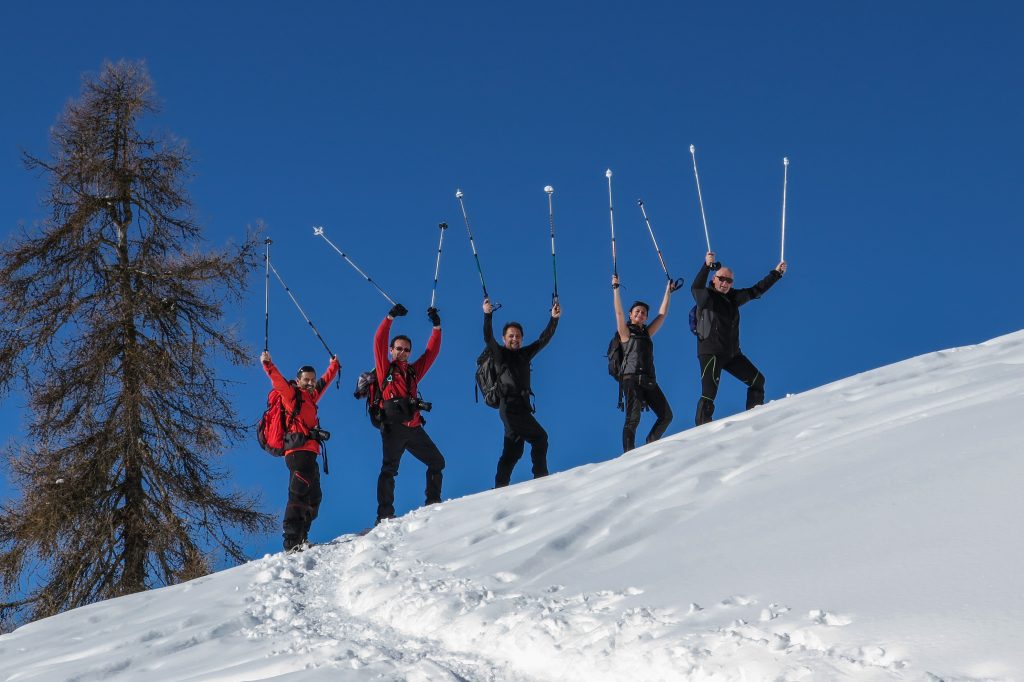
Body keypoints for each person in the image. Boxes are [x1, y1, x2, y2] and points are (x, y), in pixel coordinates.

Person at [691, 251, 787, 425]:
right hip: (711, 352)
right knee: (709, 394)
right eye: (722, 279)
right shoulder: (706, 297)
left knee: (758, 381)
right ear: (714, 279)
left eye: (729, 281)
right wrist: (706, 266)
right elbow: (696, 287)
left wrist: (776, 274)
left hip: (732, 354)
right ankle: (701, 432)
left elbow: (756, 290)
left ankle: (754, 419)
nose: (725, 283)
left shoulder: (733, 298)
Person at [260, 350, 340, 551]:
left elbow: (324, 383)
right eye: (306, 380)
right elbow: (278, 382)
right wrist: (268, 365)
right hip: (297, 452)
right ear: (298, 380)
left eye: (312, 380)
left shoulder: (311, 398)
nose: (311, 383)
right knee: (298, 496)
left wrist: (334, 366)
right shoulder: (292, 396)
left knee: (314, 497)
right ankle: (291, 543)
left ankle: (302, 537)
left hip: (309, 454)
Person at [372, 303, 445, 524]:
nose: (402, 352)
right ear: (391, 351)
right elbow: (378, 340)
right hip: (393, 428)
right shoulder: (386, 368)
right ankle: (384, 515)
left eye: (406, 350)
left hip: (414, 428)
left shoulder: (413, 372)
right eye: (399, 348)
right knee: (389, 470)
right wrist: (390, 317)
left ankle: (433, 501)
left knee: (437, 462)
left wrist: (437, 326)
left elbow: (431, 353)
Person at [482, 297, 561, 488]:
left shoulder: (525, 354)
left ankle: (500, 487)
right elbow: (488, 338)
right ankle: (541, 477)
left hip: (522, 408)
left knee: (513, 452)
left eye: (517, 336)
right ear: (504, 338)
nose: (514, 339)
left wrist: (554, 319)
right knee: (540, 437)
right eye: (511, 336)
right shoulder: (500, 355)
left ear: (522, 338)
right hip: (508, 406)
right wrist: (487, 315)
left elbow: (543, 339)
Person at [612, 275, 674, 452]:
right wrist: (616, 288)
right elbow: (618, 313)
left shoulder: (647, 333)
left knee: (666, 415)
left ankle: (650, 445)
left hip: (648, 380)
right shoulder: (625, 333)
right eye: (637, 311)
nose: (640, 314)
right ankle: (630, 455)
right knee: (633, 419)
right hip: (631, 379)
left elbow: (662, 315)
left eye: (644, 313)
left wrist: (668, 292)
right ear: (631, 315)